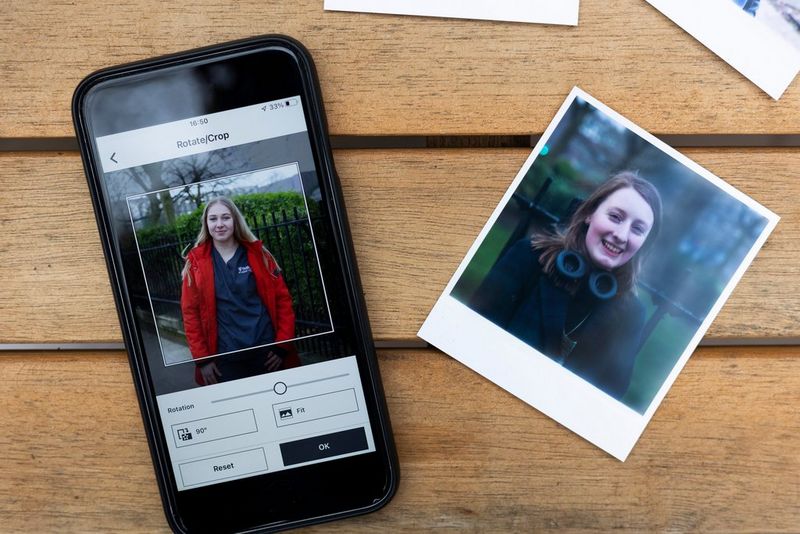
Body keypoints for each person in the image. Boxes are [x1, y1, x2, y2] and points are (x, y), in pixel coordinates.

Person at [470, 172, 662, 399]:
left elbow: (607, 401)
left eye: (637, 229)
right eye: (615, 217)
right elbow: (473, 339)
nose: (621, 235)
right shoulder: (528, 257)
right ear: (590, 214)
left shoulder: (631, 314)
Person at [180, 196, 299, 386]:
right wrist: (203, 359)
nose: (219, 224)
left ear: (235, 220)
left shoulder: (260, 255)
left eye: (225, 217)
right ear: (206, 223)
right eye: (213, 219)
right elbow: (190, 314)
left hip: (267, 353)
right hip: (225, 358)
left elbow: (283, 301)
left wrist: (281, 347)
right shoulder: (195, 264)